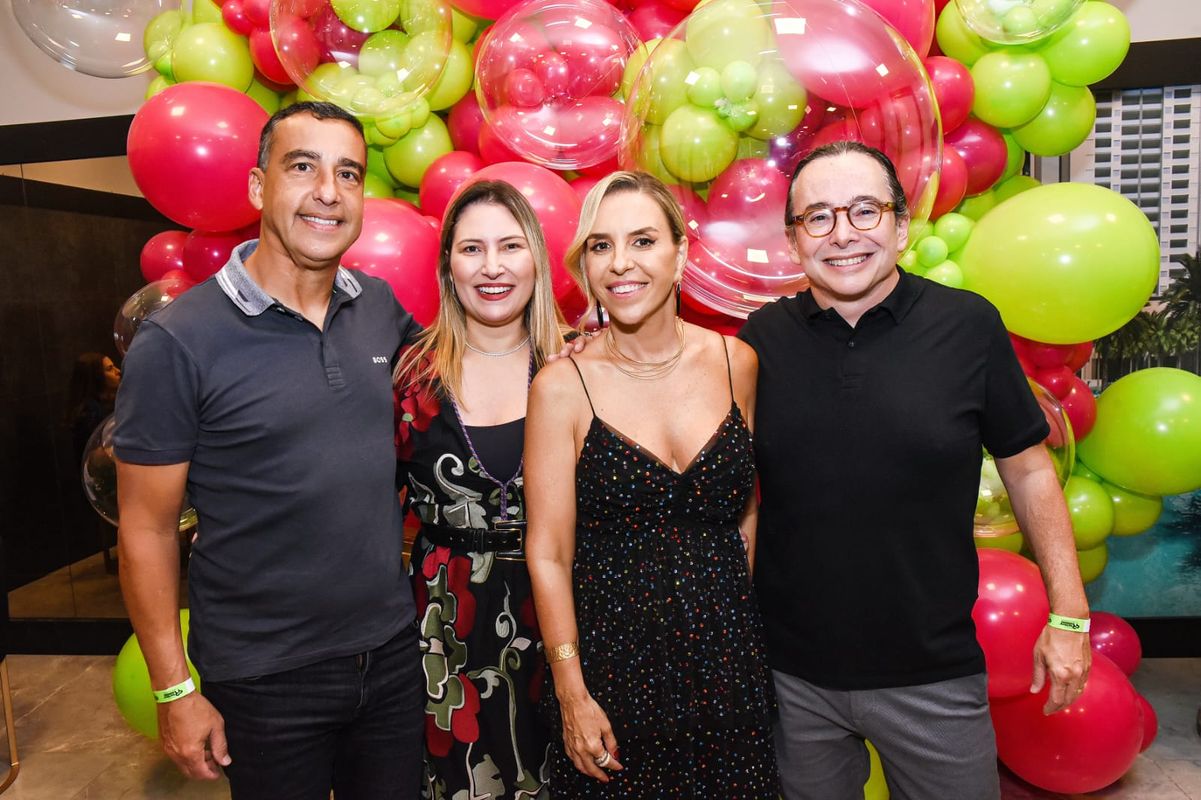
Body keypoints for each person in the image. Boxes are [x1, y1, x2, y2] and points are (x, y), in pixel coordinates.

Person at [737, 140, 1091, 800]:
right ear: (792, 239)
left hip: (935, 676)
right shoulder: (760, 342)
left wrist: (1068, 614)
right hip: (794, 680)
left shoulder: (967, 326)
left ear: (901, 225)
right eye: (817, 216)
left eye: (863, 211)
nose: (841, 234)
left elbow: (1029, 470)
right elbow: (734, 498)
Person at [113, 101, 424, 799]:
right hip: (263, 680)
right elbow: (146, 527)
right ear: (258, 188)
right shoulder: (180, 340)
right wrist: (173, 690)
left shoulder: (378, 306)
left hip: (391, 656)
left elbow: (463, 384)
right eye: (303, 167)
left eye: (348, 173)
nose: (327, 192)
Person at [525, 171, 779, 797]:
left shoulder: (734, 362)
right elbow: (548, 554)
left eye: (642, 240)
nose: (621, 264)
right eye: (601, 246)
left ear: (680, 252)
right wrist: (571, 691)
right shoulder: (561, 387)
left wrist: (731, 619)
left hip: (728, 669)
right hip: (613, 673)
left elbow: (745, 515)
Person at [395, 181, 563, 798]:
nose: (492, 267)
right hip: (441, 639)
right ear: (447, 265)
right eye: (471, 249)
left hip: (559, 631)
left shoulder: (576, 368)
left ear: (536, 260)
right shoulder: (409, 375)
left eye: (510, 246)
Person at [66, 352, 120, 457]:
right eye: (110, 369)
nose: (118, 371)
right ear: (96, 376)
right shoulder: (90, 414)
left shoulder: (102, 406)